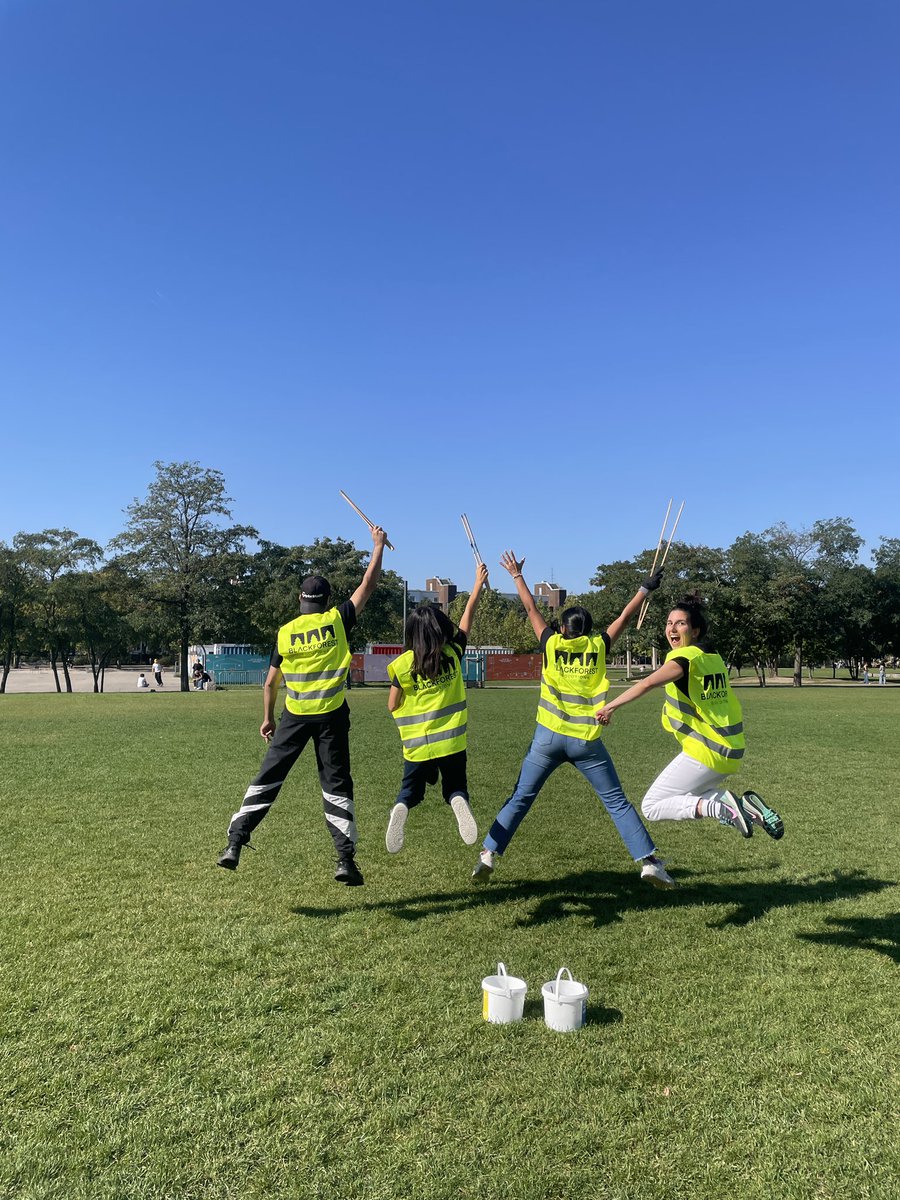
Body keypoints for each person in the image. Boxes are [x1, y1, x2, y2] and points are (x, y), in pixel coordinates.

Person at [472, 550, 674, 888]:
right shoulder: (597, 646)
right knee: (616, 803)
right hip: (585, 741)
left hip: (547, 738)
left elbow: (531, 610)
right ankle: (649, 861)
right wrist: (645, 588)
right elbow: (624, 617)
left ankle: (488, 854)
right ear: (588, 630)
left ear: (562, 628)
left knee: (520, 797)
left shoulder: (551, 644)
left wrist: (517, 576)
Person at [217, 526, 388, 885]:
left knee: (268, 778)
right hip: (330, 717)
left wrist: (267, 719)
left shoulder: (285, 632)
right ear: (326, 600)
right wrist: (376, 547)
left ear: (300, 599)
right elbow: (367, 585)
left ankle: (234, 842)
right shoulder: (337, 620)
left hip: (293, 716)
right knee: (336, 784)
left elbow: (269, 683)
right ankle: (345, 860)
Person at [597, 594, 784, 842]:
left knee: (651, 806)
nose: (672, 629)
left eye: (680, 623)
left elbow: (647, 683)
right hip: (731, 751)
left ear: (695, 631)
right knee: (692, 797)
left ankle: (722, 808)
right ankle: (743, 806)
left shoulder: (683, 659)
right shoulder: (712, 658)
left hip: (707, 750)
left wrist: (611, 706)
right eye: (669, 623)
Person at [385, 562, 489, 854]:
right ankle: (458, 801)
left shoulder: (402, 665)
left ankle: (402, 806)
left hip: (417, 743)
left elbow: (392, 704)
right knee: (456, 786)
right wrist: (477, 584)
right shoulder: (453, 654)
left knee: (410, 790)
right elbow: (466, 619)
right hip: (452, 741)